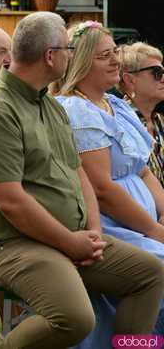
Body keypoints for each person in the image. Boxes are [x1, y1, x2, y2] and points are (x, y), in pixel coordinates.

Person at [0, 12, 164, 348]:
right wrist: (69, 242)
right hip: (13, 243)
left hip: (71, 235)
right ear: (50, 56)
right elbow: (11, 201)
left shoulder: (50, 105)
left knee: (152, 274)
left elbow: (79, 175)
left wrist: (94, 233)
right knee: (75, 318)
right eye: (69, 50)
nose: (72, 57)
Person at [53, 22, 164, 341]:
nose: (116, 60)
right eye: (105, 55)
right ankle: (138, 345)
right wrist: (155, 230)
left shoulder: (114, 104)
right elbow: (102, 189)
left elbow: (142, 169)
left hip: (141, 222)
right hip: (112, 225)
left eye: (115, 51)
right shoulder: (78, 110)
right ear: (82, 63)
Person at [118, 42, 164, 186]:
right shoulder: (118, 121)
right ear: (130, 80)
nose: (163, 78)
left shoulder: (160, 120)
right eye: (157, 73)